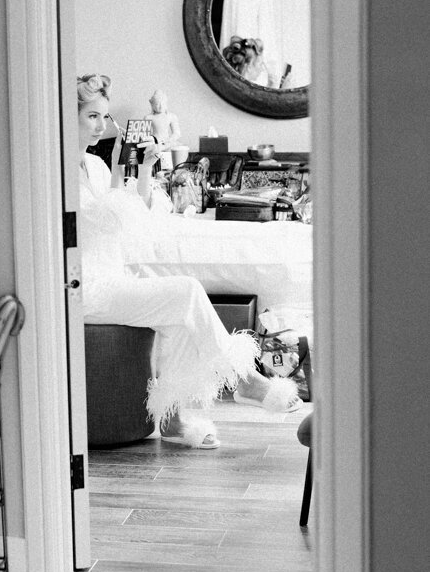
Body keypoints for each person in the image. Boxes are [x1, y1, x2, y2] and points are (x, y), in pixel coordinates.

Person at [77, 72, 300, 449]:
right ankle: (243, 377)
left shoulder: (93, 166)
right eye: (92, 117)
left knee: (180, 315)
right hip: (84, 287)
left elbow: (134, 220)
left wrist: (143, 169)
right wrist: (118, 168)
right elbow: (104, 220)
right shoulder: (56, 172)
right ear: (69, 118)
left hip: (110, 278)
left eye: (105, 116)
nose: (103, 125)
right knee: (187, 291)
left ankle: (172, 418)